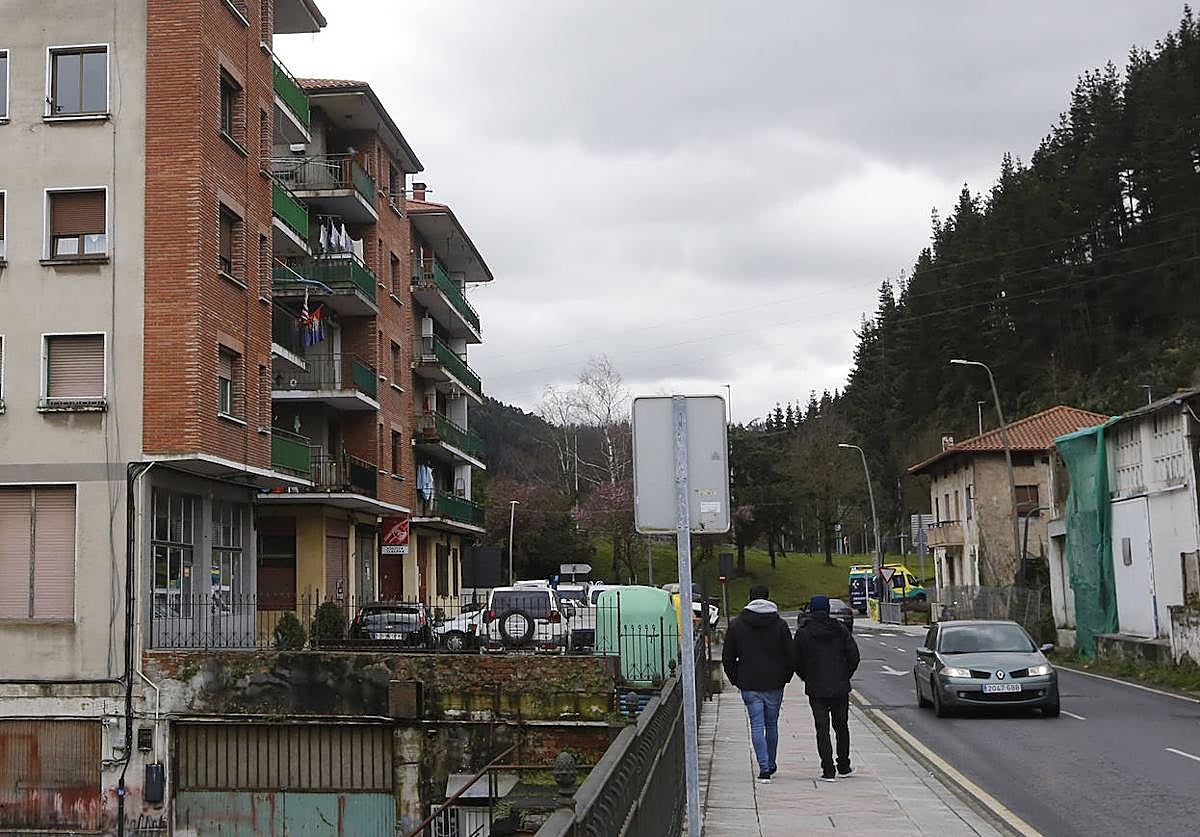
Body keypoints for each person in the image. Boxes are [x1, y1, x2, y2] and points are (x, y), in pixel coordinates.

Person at [721, 584, 794, 784]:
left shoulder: (737, 624)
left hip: (749, 682)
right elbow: (791, 655)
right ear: (768, 597)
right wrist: (785, 677)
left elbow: (728, 657)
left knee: (756, 725)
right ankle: (771, 762)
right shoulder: (779, 624)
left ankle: (763, 768)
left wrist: (736, 679)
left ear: (749, 598)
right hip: (774, 682)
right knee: (772, 724)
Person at [793, 594, 860, 782]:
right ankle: (844, 765)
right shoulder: (840, 630)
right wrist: (845, 675)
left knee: (821, 729)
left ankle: (828, 769)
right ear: (828, 610)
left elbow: (795, 660)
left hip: (816, 687)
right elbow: (854, 656)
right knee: (841, 727)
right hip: (839, 686)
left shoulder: (803, 633)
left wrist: (806, 676)